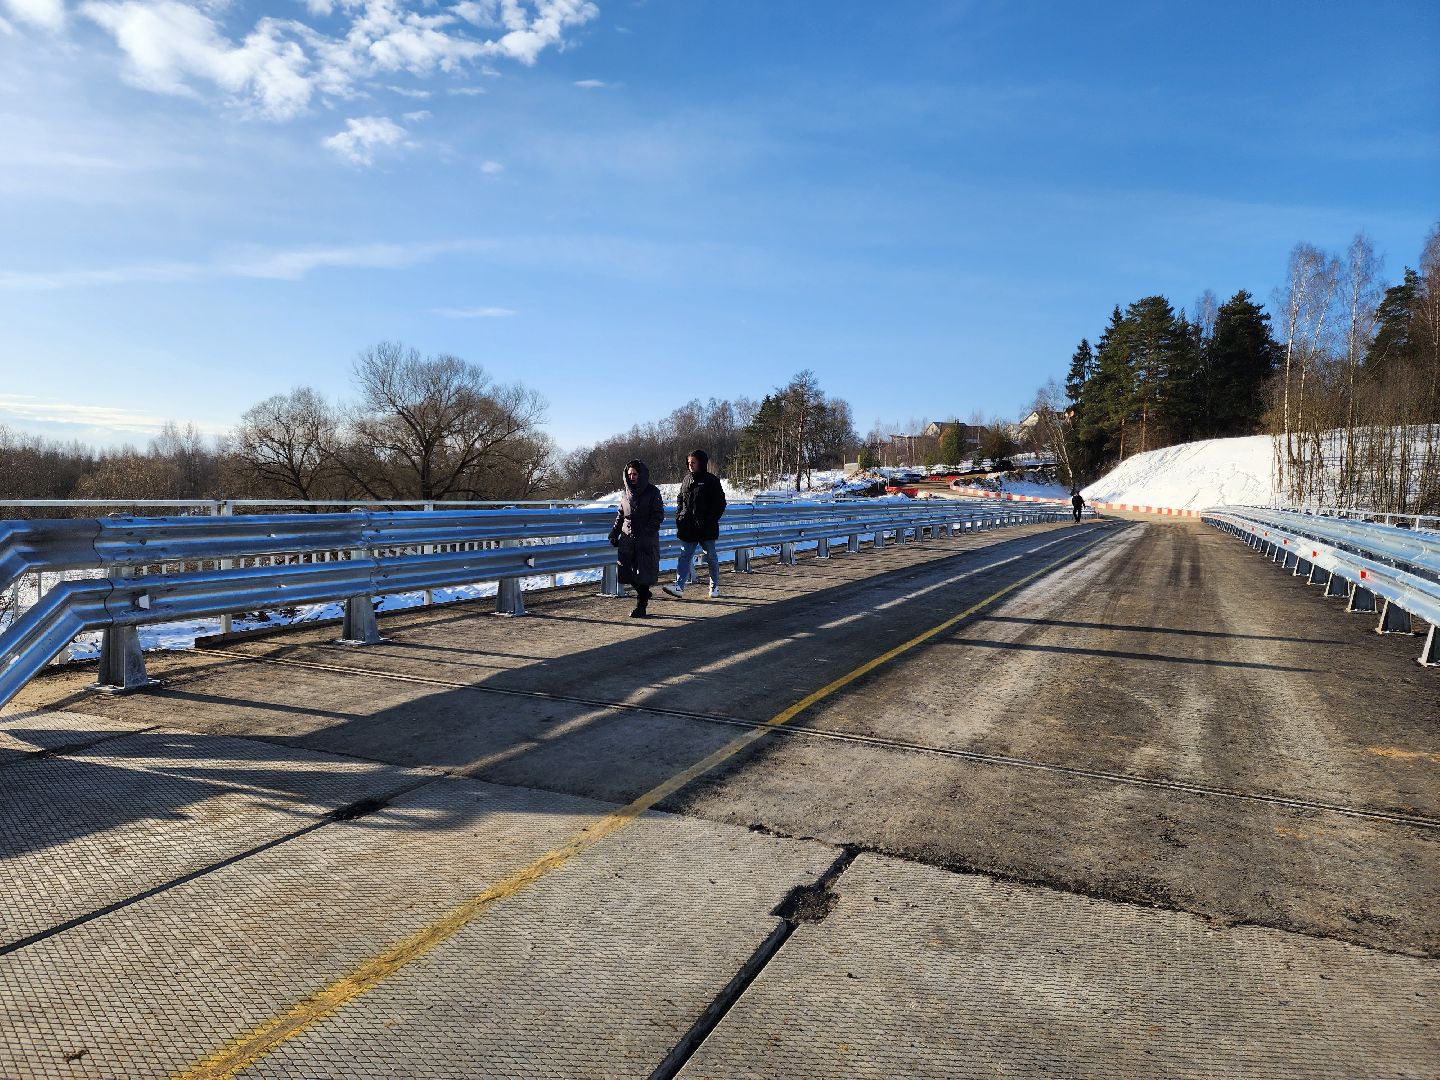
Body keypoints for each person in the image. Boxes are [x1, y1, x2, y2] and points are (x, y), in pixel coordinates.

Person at [664, 449, 728, 599]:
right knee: (684, 556)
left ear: (701, 463)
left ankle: (714, 586)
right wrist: (679, 517)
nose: (690, 465)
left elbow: (720, 503)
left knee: (711, 556)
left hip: (706, 527)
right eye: (689, 463)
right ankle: (679, 587)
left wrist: (711, 520)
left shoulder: (712, 480)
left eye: (693, 462)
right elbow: (680, 501)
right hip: (688, 527)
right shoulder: (686, 480)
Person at [609, 459, 664, 617]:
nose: (632, 477)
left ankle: (641, 606)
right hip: (628, 537)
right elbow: (621, 515)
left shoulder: (653, 492)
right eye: (629, 474)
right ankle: (644, 594)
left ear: (642, 474)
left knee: (643, 573)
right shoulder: (625, 493)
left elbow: (657, 516)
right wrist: (614, 532)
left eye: (635, 474)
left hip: (646, 538)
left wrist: (647, 533)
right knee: (626, 570)